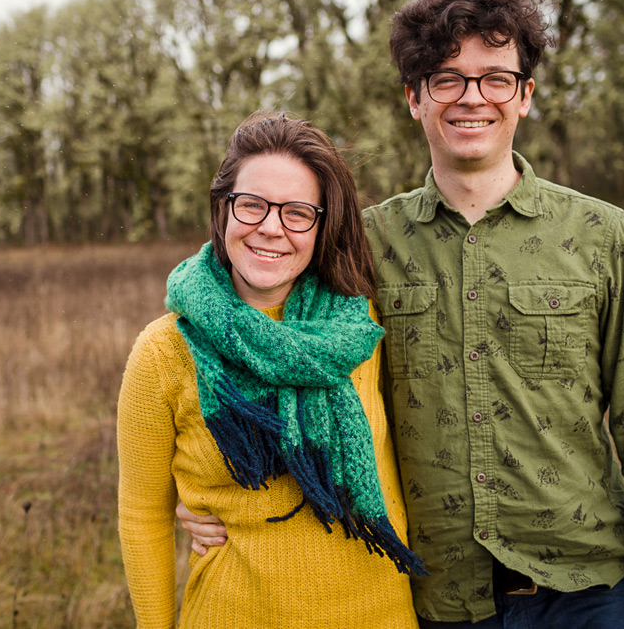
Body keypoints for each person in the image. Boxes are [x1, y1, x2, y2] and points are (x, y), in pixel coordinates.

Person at [180, 0, 624, 628]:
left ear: (525, 95)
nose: (472, 97)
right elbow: (272, 348)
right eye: (447, 78)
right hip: (441, 597)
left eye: (495, 77)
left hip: (588, 592)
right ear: (415, 97)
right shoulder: (365, 242)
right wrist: (200, 490)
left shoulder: (602, 235)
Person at [116, 112, 423, 629]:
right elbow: (142, 515)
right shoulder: (163, 351)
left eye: (298, 212)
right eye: (252, 204)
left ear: (323, 225)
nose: (271, 227)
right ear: (222, 209)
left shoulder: (363, 326)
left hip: (379, 614)